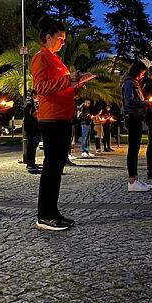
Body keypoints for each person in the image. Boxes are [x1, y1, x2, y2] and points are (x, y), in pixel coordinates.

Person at [31, 15, 94, 231]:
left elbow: (59, 86)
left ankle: (52, 211)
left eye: (64, 39)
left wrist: (77, 84)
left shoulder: (56, 60)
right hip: (51, 118)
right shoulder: (41, 58)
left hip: (62, 117)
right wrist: (70, 79)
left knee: (57, 167)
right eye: (60, 38)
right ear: (48, 37)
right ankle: (44, 215)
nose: (62, 42)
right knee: (51, 166)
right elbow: (41, 87)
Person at [121, 60, 152, 192]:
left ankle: (135, 179)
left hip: (136, 117)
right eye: (142, 73)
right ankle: (132, 181)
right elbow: (129, 102)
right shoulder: (129, 83)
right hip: (132, 118)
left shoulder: (133, 83)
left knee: (135, 149)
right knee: (133, 149)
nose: (143, 75)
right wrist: (146, 103)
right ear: (137, 71)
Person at [24, 90, 42, 174]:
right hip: (31, 126)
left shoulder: (33, 102)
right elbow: (31, 114)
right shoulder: (29, 102)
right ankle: (30, 163)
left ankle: (32, 162)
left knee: (34, 144)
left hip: (35, 125)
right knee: (31, 145)